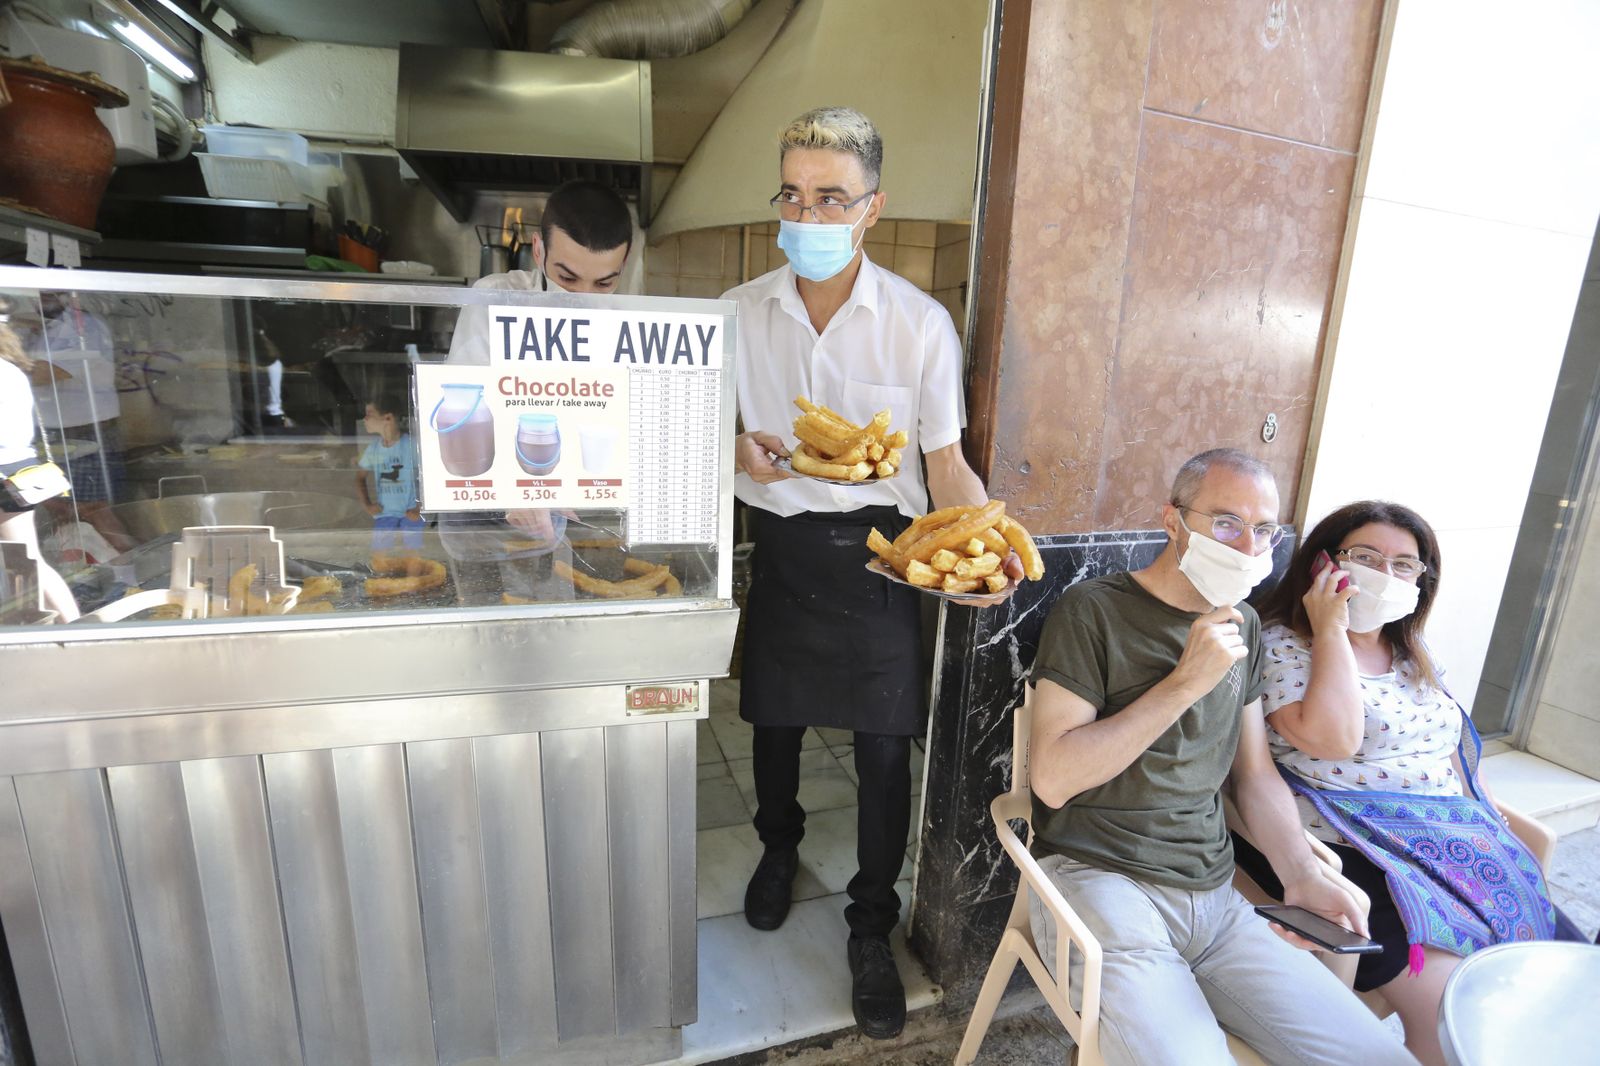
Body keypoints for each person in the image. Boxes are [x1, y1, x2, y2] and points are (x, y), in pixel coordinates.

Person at [730, 106, 1015, 1040]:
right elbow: (698, 433)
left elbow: (945, 463)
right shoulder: (737, 313)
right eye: (793, 195)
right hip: (782, 545)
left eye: (831, 198)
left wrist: (988, 541)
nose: (807, 215)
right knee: (773, 720)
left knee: (886, 749)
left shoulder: (919, 324)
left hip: (880, 559)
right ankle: (778, 850)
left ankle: (869, 924)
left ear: (872, 208)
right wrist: (735, 450)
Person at [1025, 449, 1414, 1066]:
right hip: (1101, 878)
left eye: (1263, 529)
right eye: (1227, 522)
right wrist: (1184, 683)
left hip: (1218, 899)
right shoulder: (1095, 610)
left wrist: (1301, 873)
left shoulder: (1245, 624)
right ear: (1173, 520)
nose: (1248, 545)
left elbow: (1254, 774)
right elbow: (1051, 779)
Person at [1235, 500, 1588, 1066]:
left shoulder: (1411, 651)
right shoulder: (1282, 645)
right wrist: (1332, 628)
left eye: (1404, 565)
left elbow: (1450, 748)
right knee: (1457, 1022)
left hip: (1457, 850)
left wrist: (1487, 821)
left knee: (1565, 990)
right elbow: (1333, 738)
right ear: (1324, 562)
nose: (1386, 574)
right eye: (1366, 557)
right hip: (1357, 852)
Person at [442, 180, 637, 602]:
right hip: (482, 508)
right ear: (538, 249)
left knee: (555, 628)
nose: (583, 298)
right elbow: (464, 404)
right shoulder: (495, 300)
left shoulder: (627, 323)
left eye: (604, 283)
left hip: (568, 511)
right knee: (485, 627)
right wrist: (513, 486)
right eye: (567, 277)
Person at [0, 299, 80, 622]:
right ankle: (71, 627)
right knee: (26, 558)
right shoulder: (12, 370)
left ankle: (71, 628)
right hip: (18, 469)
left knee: (25, 560)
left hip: (4, 469)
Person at [355, 384, 424, 554]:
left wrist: (420, 508)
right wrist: (367, 505)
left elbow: (429, 477)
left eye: (369, 414)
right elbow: (359, 477)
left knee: (413, 555)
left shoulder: (412, 446)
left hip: (411, 513)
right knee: (381, 555)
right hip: (384, 514)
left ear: (387, 418)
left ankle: (412, 572)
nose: (364, 419)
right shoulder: (373, 449)